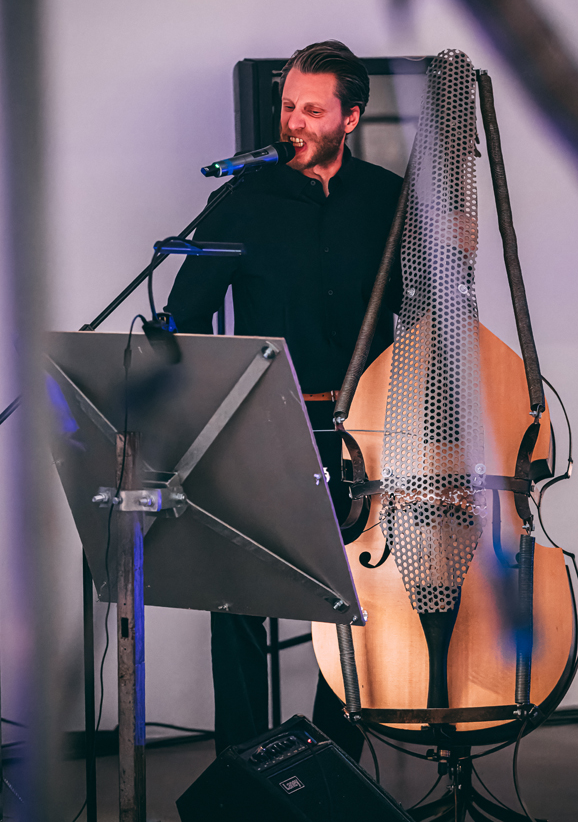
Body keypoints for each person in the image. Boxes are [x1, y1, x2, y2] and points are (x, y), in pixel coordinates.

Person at [166, 39, 404, 760]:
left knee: (355, 593)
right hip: (266, 424)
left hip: (361, 429)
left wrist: (455, 251)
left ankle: (331, 757)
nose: (294, 122)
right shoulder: (241, 201)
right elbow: (185, 318)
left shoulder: (386, 200)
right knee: (236, 594)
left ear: (350, 118)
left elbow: (421, 311)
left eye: (312, 110)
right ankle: (242, 762)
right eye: (287, 106)